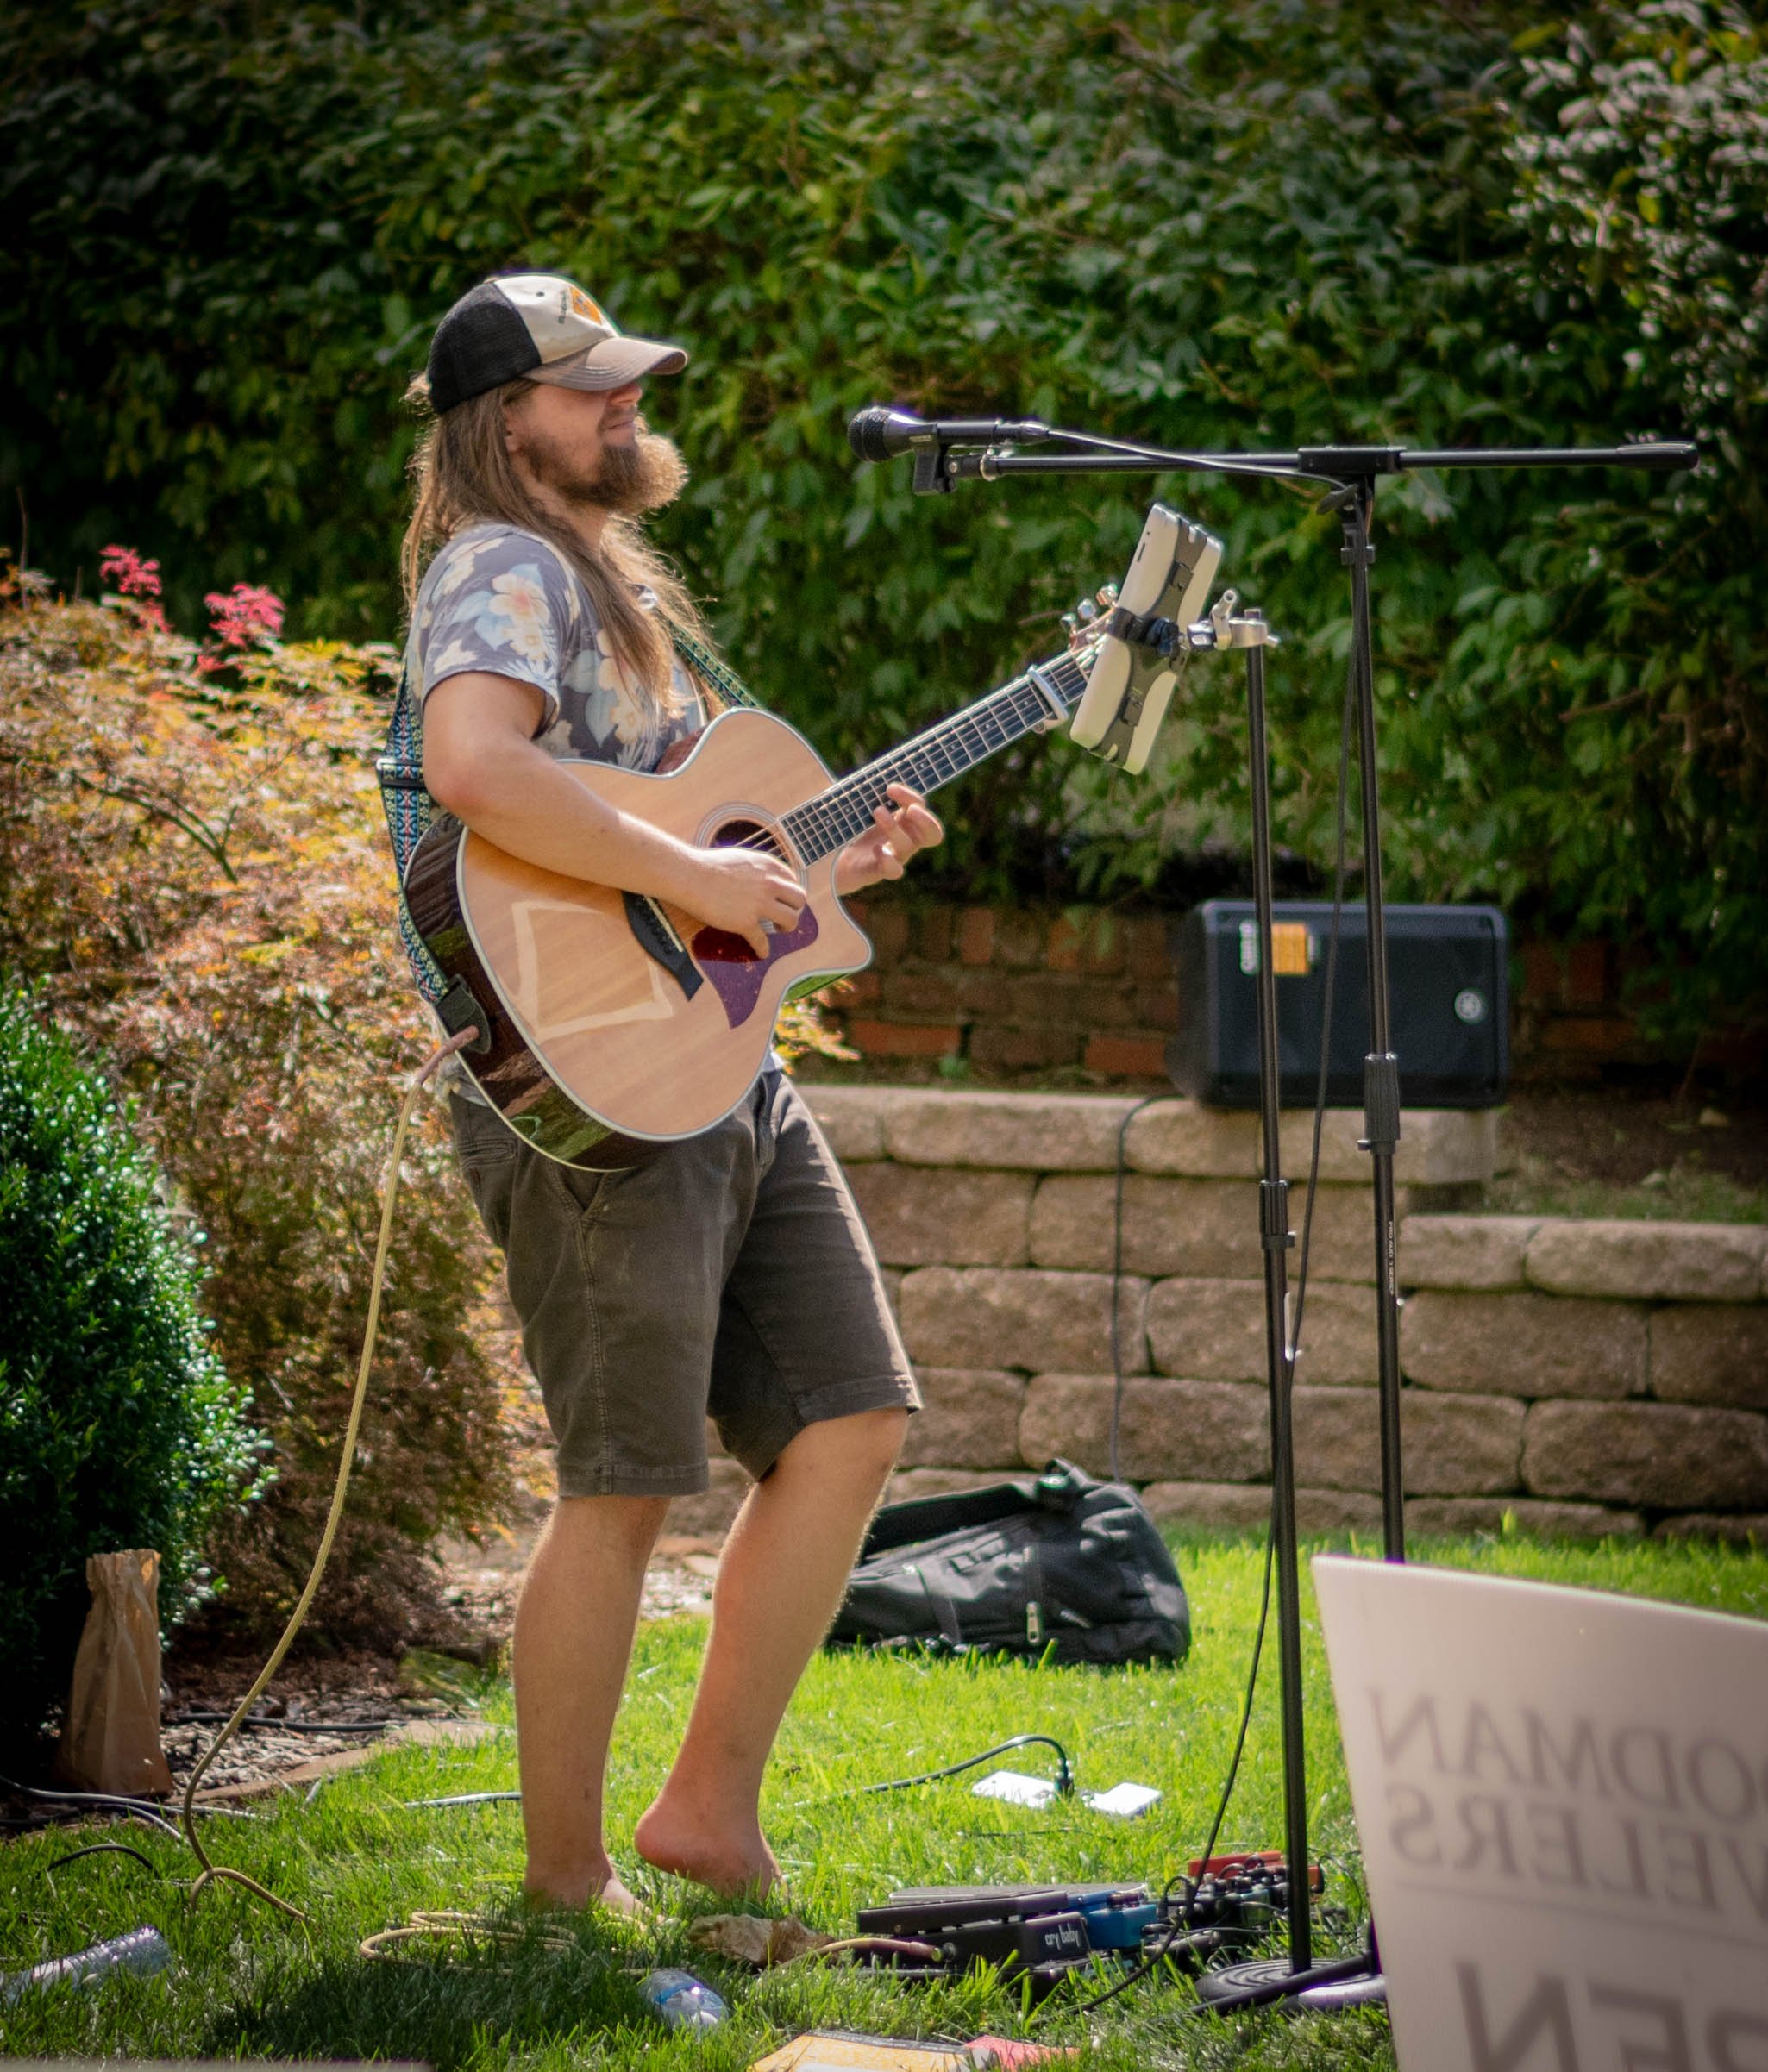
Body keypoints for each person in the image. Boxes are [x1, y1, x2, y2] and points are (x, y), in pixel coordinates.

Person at [398, 273, 941, 1914]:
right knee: (623, 1484)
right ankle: (563, 1888)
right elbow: (475, 770)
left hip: (714, 1063)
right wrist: (697, 881)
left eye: (627, 379)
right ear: (507, 422)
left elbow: (675, 847)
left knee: (850, 1417)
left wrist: (815, 869)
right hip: (591, 1086)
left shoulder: (608, 580)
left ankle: (706, 1813)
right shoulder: (501, 565)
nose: (627, 403)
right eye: (591, 387)